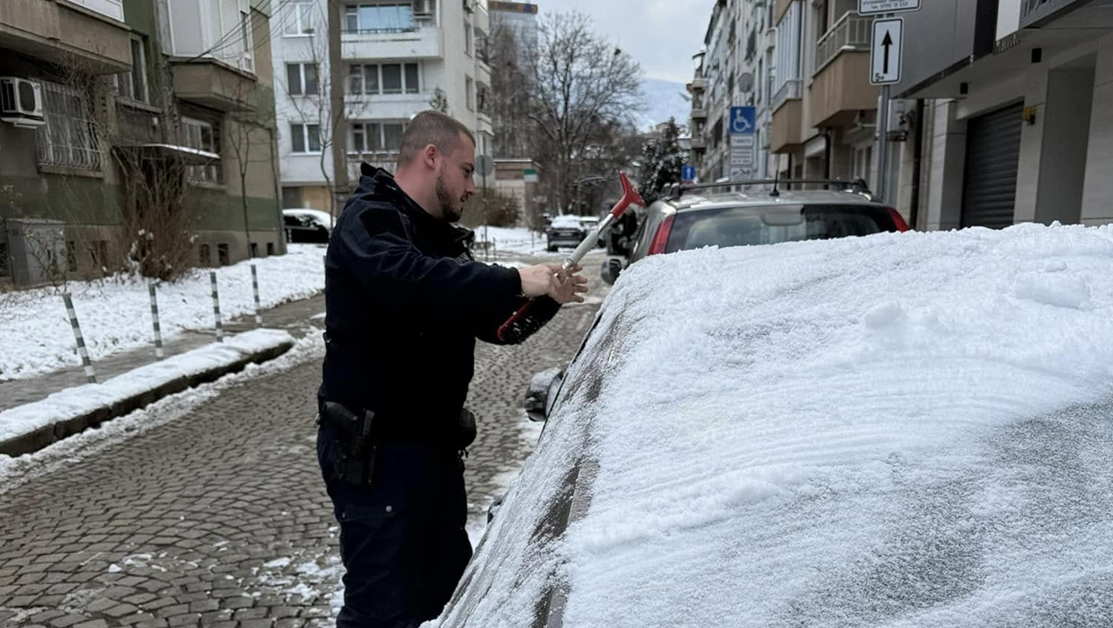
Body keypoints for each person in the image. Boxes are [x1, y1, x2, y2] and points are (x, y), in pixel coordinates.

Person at [316, 110, 588, 628]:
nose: (471, 185)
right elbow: (409, 280)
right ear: (431, 157)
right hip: (376, 457)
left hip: (431, 455)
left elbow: (495, 325)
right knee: (382, 609)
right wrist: (513, 278)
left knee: (446, 600)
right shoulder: (371, 219)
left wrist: (545, 298)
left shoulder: (436, 234)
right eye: (465, 170)